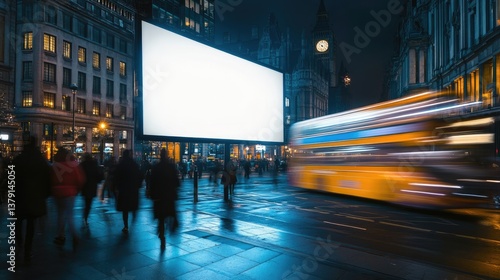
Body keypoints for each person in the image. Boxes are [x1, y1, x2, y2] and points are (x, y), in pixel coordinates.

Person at [13, 137, 51, 262]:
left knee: (18, 222)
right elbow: (48, 180)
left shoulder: (18, 159)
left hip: (19, 196)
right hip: (35, 197)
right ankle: (28, 250)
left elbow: (11, 178)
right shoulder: (41, 161)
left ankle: (19, 244)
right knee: (31, 224)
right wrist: (44, 195)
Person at [51, 147, 85, 250]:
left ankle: (61, 236)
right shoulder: (73, 165)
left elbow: (51, 179)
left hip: (57, 192)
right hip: (70, 193)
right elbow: (80, 179)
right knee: (69, 215)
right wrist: (77, 190)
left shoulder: (55, 166)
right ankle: (74, 236)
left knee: (60, 214)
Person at [149, 149, 180, 249]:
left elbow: (152, 183)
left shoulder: (156, 167)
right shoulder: (171, 167)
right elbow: (177, 182)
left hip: (159, 196)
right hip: (169, 196)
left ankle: (162, 234)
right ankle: (171, 228)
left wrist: (152, 194)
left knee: (161, 217)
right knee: (170, 213)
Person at [113, 149, 143, 234]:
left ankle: (126, 226)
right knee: (133, 204)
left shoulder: (121, 164)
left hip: (123, 189)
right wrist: (138, 185)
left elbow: (116, 176)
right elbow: (140, 175)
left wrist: (116, 187)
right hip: (133, 188)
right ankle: (134, 215)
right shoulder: (134, 164)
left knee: (124, 209)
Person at [79, 153, 104, 226]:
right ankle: (86, 217)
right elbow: (99, 175)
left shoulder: (82, 164)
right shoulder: (94, 164)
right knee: (88, 203)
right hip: (92, 186)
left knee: (85, 202)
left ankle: (85, 216)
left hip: (84, 185)